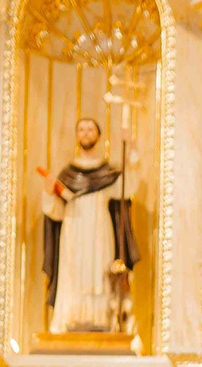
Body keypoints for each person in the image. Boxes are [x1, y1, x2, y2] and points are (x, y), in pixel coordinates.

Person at [40, 116, 137, 335]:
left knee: (99, 272)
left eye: (90, 129)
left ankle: (100, 320)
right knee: (73, 272)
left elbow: (129, 186)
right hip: (73, 229)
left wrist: (131, 148)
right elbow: (56, 212)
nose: (85, 133)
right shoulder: (67, 174)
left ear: (99, 136)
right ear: (76, 135)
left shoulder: (107, 173)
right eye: (81, 129)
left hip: (99, 230)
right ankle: (71, 319)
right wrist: (48, 192)